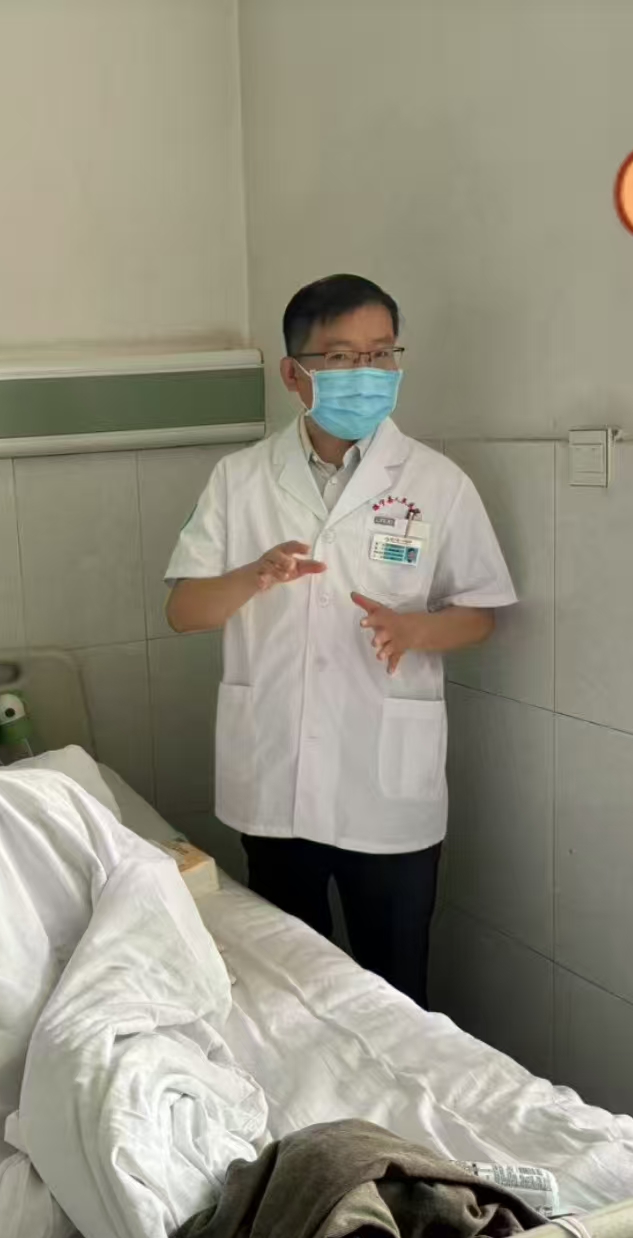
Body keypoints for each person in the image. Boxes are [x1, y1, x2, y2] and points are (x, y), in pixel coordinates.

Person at [163, 274, 516, 1008]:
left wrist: (416, 629)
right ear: (294, 374)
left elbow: (482, 611)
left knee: (397, 989)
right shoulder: (239, 479)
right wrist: (254, 576)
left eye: (381, 354)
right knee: (288, 991)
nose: (367, 372)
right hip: (277, 777)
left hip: (385, 787)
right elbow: (185, 611)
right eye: (341, 357)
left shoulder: (437, 483)